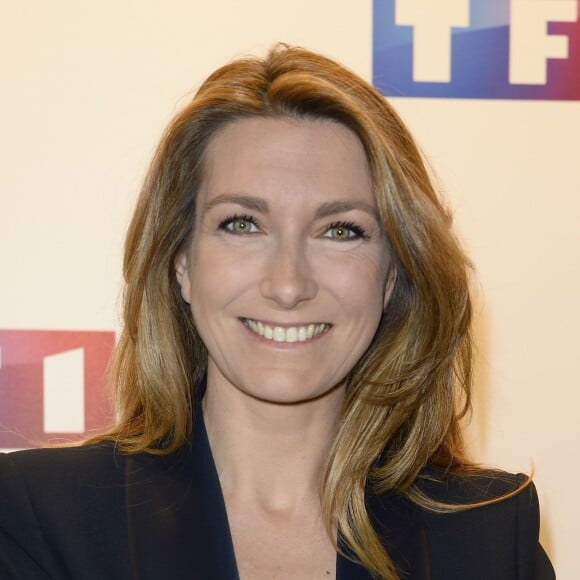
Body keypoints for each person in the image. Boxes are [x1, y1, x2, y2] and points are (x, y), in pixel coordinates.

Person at [0, 44, 554, 580]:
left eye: (340, 231)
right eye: (242, 224)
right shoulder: (38, 519)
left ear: (392, 276)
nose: (288, 284)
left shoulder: (488, 536)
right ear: (181, 261)